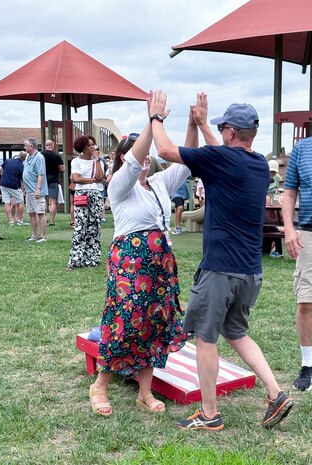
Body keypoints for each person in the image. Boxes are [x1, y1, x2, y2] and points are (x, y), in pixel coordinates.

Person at [149, 90, 293, 430]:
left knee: (205, 337)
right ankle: (275, 392)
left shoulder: (222, 159)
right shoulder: (258, 164)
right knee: (237, 333)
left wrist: (156, 118)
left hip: (220, 270)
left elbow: (166, 151)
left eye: (221, 128)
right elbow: (220, 154)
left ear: (230, 131)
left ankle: (209, 414)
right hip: (249, 272)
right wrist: (199, 124)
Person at [89, 95, 193, 417]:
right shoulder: (119, 185)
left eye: (146, 151)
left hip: (159, 264)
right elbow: (134, 161)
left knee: (154, 325)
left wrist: (192, 125)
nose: (144, 156)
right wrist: (152, 121)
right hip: (130, 263)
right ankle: (100, 385)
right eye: (137, 151)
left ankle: (144, 393)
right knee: (123, 323)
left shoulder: (160, 183)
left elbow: (188, 162)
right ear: (124, 157)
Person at [282, 135, 312, 392]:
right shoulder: (302, 148)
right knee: (306, 300)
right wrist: (289, 228)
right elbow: (290, 191)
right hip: (309, 232)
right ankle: (308, 365)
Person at [66, 135, 104, 270]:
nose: (93, 147)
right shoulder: (76, 161)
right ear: (82, 148)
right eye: (89, 145)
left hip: (96, 195)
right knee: (80, 227)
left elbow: (100, 177)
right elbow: (76, 178)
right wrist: (94, 180)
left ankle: (92, 259)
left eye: (93, 144)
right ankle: (75, 259)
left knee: (94, 227)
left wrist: (97, 161)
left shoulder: (98, 161)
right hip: (82, 195)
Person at [22, 138, 48, 242]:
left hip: (36, 190)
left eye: (25, 145)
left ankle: (43, 237)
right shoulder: (28, 157)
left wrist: (38, 189)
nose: (24, 147)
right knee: (31, 213)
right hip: (29, 190)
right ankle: (34, 235)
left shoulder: (39, 157)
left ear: (31, 147)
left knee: (41, 213)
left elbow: (40, 174)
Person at [0, 151, 28, 225]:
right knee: (20, 201)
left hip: (3, 184)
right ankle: (19, 220)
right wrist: (23, 190)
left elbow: (0, 169)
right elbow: (22, 180)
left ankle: (11, 221)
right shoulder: (21, 166)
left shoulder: (8, 160)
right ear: (24, 159)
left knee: (6, 202)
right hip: (13, 185)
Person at [41, 140, 65, 226]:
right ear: (53, 145)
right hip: (54, 179)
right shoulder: (57, 156)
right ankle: (52, 221)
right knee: (53, 202)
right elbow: (63, 169)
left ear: (45, 145)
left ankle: (43, 219)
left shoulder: (40, 155)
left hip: (42, 180)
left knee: (43, 200)